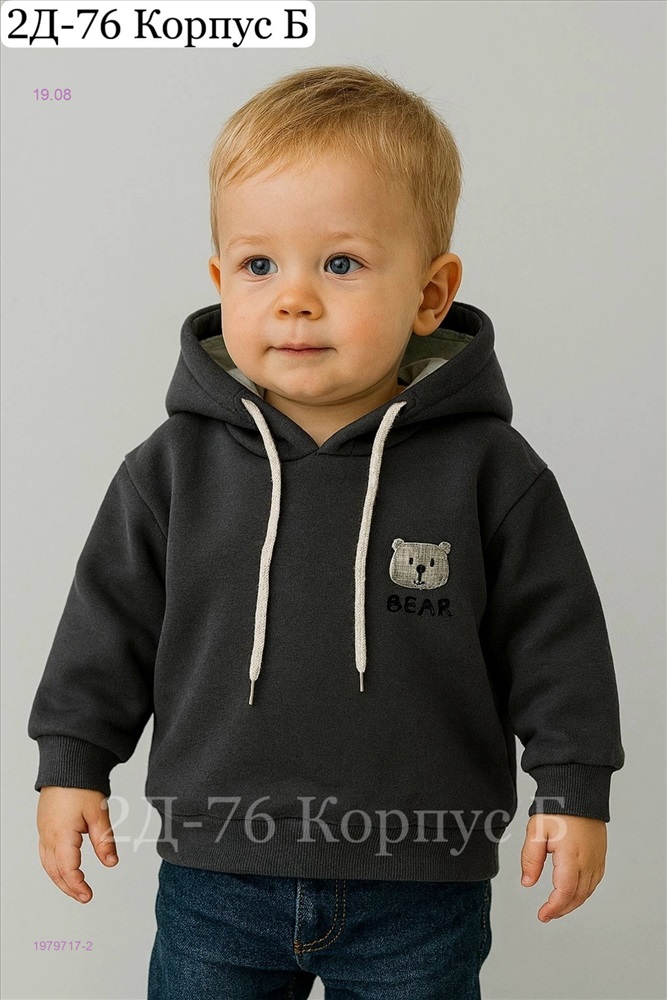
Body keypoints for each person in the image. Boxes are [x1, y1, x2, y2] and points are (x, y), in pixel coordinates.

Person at [28, 64, 626, 999]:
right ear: (220, 280)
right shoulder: (171, 468)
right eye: (259, 265)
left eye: (340, 263)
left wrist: (572, 784)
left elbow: (556, 642)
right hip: (215, 878)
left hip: (421, 887)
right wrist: (71, 765)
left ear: (430, 294)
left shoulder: (489, 470)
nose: (294, 298)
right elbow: (105, 628)